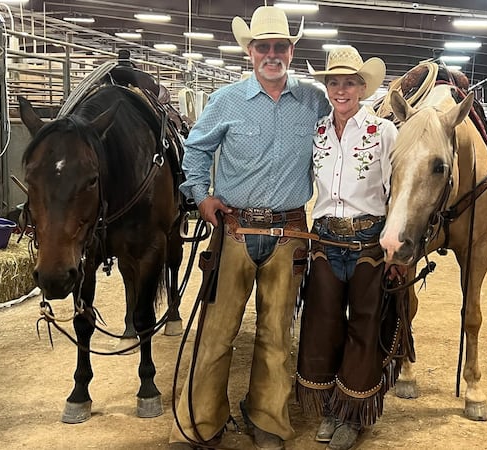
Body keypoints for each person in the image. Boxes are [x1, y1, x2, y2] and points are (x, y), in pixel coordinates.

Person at [169, 5, 330, 450]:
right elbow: (196, 151)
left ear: (292, 51)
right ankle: (203, 421)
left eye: (280, 46)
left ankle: (268, 421)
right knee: (216, 332)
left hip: (288, 234)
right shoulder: (226, 100)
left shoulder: (315, 100)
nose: (272, 54)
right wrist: (201, 196)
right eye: (264, 47)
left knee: (276, 335)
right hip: (234, 230)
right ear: (250, 51)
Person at [295, 46, 405, 450]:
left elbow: (397, 194)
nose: (341, 90)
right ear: (327, 87)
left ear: (363, 87)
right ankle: (330, 405)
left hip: (368, 242)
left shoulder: (384, 132)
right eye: (334, 82)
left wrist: (397, 250)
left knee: (364, 324)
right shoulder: (319, 131)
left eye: (349, 83)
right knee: (322, 322)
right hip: (325, 238)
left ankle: (352, 413)